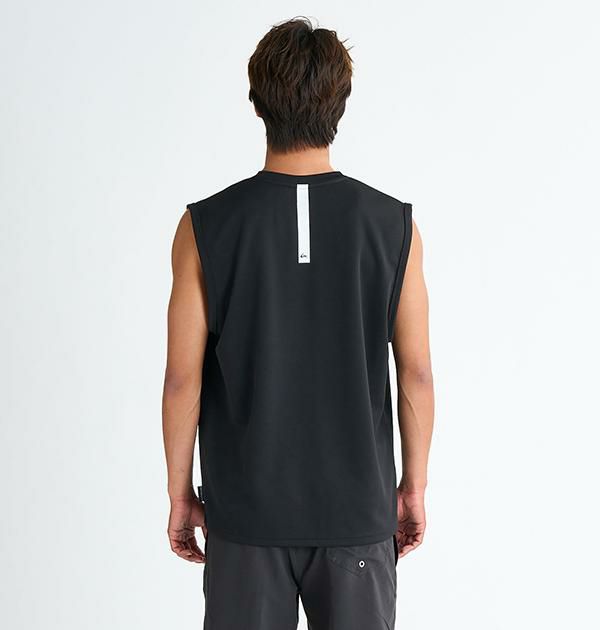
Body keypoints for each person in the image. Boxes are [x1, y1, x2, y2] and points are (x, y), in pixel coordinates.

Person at [162, 16, 434, 630]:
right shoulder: (394, 226)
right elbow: (415, 373)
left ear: (257, 100)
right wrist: (412, 486)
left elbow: (182, 380)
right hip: (357, 513)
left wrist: (180, 494)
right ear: (341, 103)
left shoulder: (204, 227)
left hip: (245, 517)